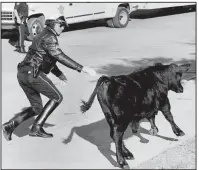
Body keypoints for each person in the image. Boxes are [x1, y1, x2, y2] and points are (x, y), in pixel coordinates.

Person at [2, 15, 96, 141]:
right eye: (63, 27)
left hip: (22, 73)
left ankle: (9, 126)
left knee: (37, 107)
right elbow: (59, 55)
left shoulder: (42, 34)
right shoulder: (50, 37)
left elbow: (48, 59)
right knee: (57, 97)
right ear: (57, 25)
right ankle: (36, 128)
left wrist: (60, 75)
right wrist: (82, 68)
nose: (63, 30)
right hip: (33, 73)